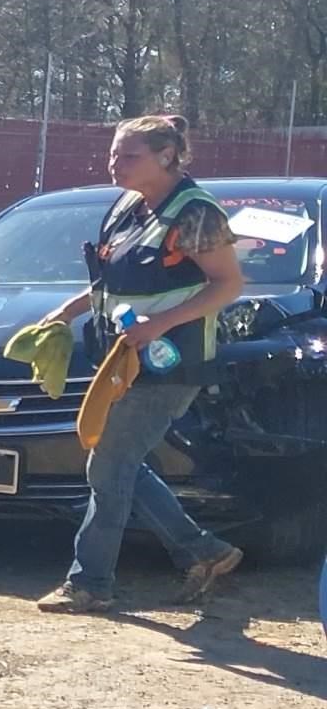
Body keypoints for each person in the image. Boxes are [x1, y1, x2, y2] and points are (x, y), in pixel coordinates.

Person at [35, 114, 245, 614]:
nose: (114, 164)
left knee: (107, 463)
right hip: (122, 359)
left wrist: (161, 324)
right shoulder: (130, 206)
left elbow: (228, 285)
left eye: (129, 156)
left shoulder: (195, 213)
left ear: (167, 156)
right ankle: (204, 551)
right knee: (120, 463)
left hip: (172, 364)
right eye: (113, 153)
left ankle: (90, 584)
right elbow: (112, 281)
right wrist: (66, 313)